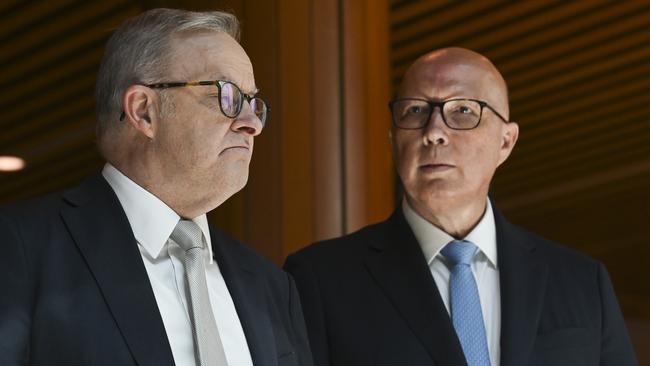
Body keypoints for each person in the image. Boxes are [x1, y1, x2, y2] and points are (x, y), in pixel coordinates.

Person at [284, 47, 638, 366]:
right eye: (415, 110)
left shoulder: (582, 281)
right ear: (394, 140)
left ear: (506, 141)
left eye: (463, 110)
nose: (434, 131)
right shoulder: (319, 279)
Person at [0, 8, 312, 366]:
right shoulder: (19, 248)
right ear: (144, 110)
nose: (250, 124)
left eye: (253, 103)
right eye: (226, 95)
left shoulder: (272, 287)